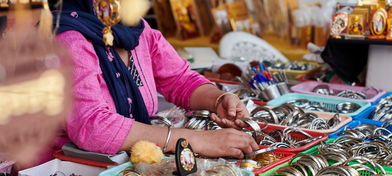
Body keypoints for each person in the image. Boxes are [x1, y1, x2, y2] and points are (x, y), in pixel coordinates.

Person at [49, 0, 258, 159]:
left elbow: (180, 79)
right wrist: (193, 140)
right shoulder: (67, 39)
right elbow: (93, 127)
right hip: (60, 173)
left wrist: (219, 100)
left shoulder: (138, 31)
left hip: (129, 163)